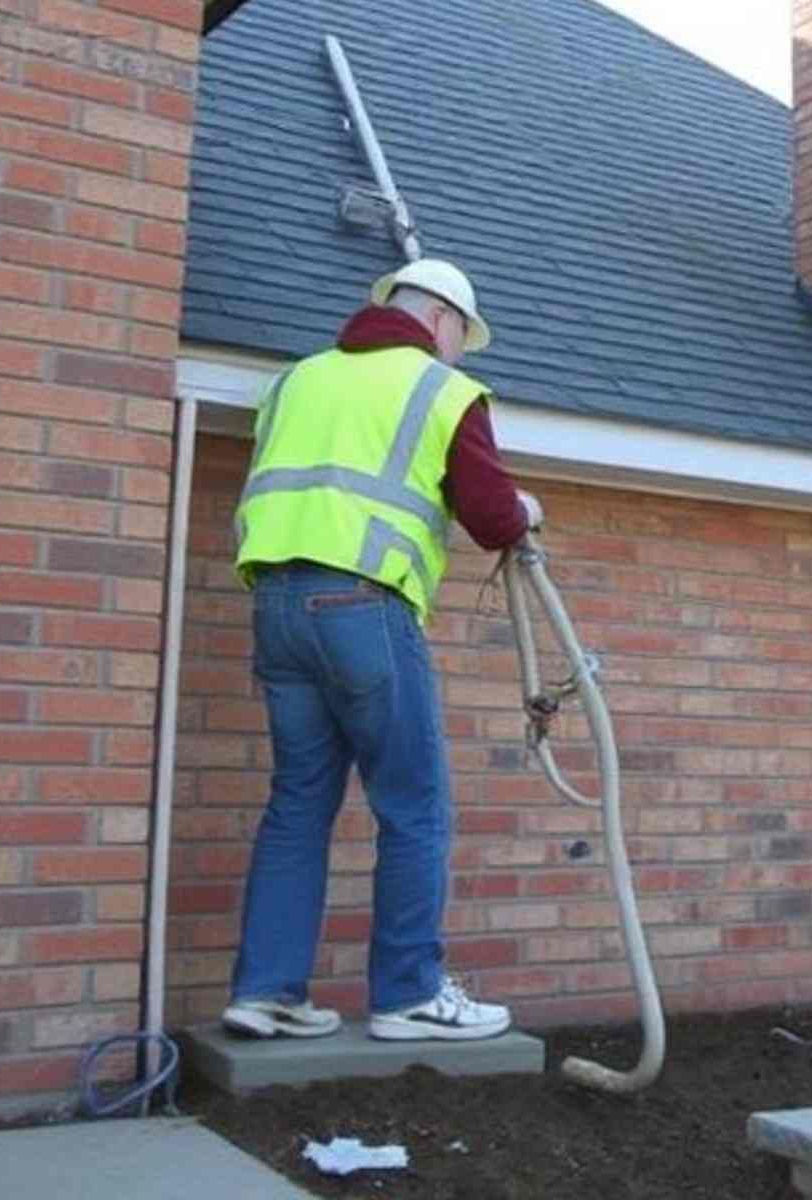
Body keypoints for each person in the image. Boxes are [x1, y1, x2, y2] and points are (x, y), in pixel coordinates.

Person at [221, 259, 543, 1042]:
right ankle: (407, 996)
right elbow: (493, 518)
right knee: (415, 805)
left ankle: (267, 990)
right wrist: (525, 509)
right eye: (462, 338)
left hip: (276, 606)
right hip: (365, 606)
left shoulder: (298, 381)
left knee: (298, 804)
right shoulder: (440, 389)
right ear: (440, 322)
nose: (459, 354)